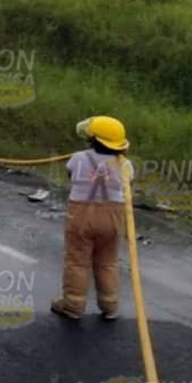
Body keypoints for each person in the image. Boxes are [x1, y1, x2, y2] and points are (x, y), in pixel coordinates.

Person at [51, 116, 133, 321]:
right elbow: (128, 183)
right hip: (113, 217)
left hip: (81, 215)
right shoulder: (126, 165)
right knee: (107, 262)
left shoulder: (78, 158)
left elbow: (70, 175)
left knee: (77, 261)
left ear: (92, 139)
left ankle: (72, 305)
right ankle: (109, 305)